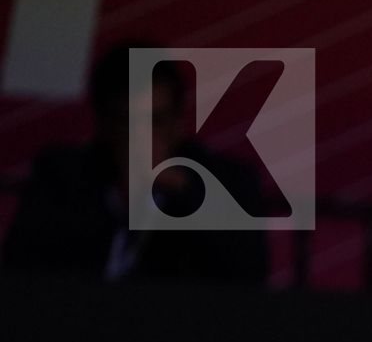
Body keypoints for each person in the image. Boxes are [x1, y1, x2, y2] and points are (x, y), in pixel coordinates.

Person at [1, 39, 268, 284]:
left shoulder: (227, 181)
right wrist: (122, 198)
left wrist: (180, 187)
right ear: (103, 123)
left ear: (178, 122)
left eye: (155, 121)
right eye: (127, 122)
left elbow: (249, 276)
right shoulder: (62, 174)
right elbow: (22, 267)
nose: (141, 136)